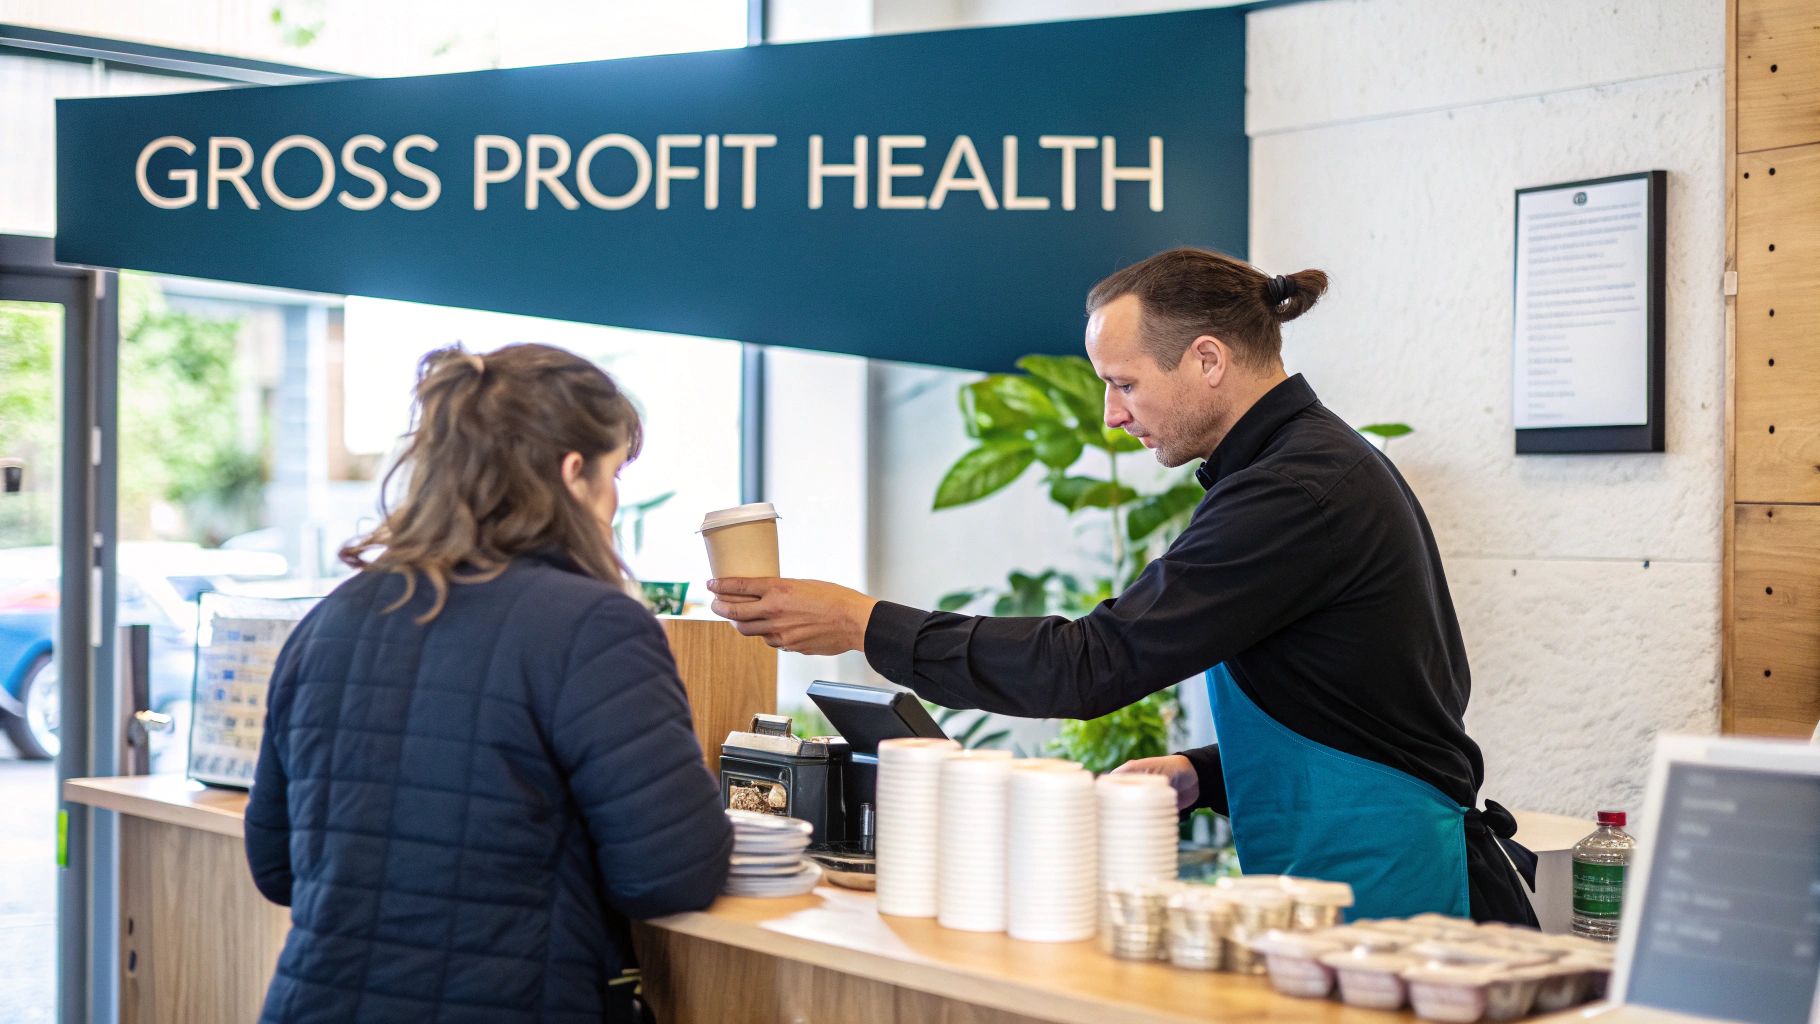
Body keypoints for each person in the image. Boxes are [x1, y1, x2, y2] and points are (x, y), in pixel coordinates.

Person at [707, 247, 1537, 924]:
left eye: (1124, 381)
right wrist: (1200, 773)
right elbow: (1360, 702)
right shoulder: (1301, 471)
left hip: (1407, 901)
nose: (1110, 413)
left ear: (1207, 359)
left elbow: (1091, 664)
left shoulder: (1296, 492)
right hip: (1346, 880)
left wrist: (865, 623)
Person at [245, 343, 732, 1024]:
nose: (616, 499)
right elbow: (671, 874)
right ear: (573, 474)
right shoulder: (593, 627)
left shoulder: (332, 618)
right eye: (614, 471)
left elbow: (276, 867)